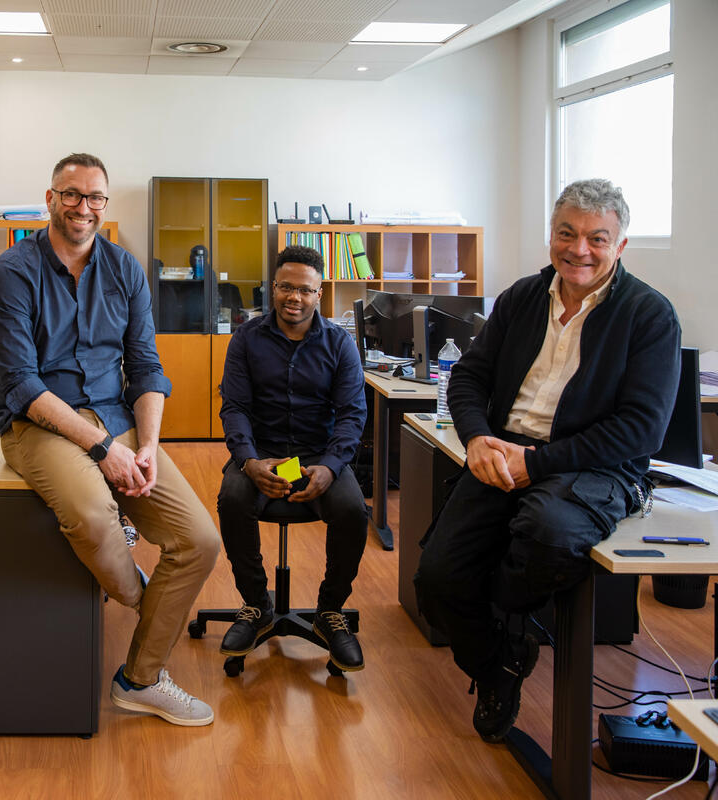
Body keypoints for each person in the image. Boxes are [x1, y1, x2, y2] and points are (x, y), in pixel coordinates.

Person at [414, 178, 681, 743]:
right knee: (436, 579)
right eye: (567, 233)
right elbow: (469, 376)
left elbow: (642, 429)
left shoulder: (650, 315)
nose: (579, 249)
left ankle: (509, 620)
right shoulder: (522, 297)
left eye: (597, 238)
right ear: (551, 235)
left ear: (621, 246)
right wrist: (477, 438)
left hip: (595, 464)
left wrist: (538, 464)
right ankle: (500, 665)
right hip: (502, 449)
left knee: (548, 532)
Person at [0, 153, 220, 727]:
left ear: (105, 204)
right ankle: (143, 604)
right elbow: (22, 383)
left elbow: (145, 367)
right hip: (37, 424)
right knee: (93, 516)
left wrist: (145, 445)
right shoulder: (13, 271)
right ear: (50, 198)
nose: (83, 207)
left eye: (95, 198)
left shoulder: (124, 269)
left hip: (118, 418)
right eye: (71, 194)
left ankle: (138, 680)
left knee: (200, 540)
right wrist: (101, 449)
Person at [216, 246, 369, 671]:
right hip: (261, 452)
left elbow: (353, 413)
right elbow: (235, 408)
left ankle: (330, 611)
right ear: (274, 287)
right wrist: (248, 461)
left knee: (352, 509)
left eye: (305, 290)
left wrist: (331, 467)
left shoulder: (339, 343)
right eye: (286, 287)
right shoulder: (246, 338)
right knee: (233, 497)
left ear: (319, 294)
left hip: (319, 456)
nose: (294, 298)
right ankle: (256, 606)